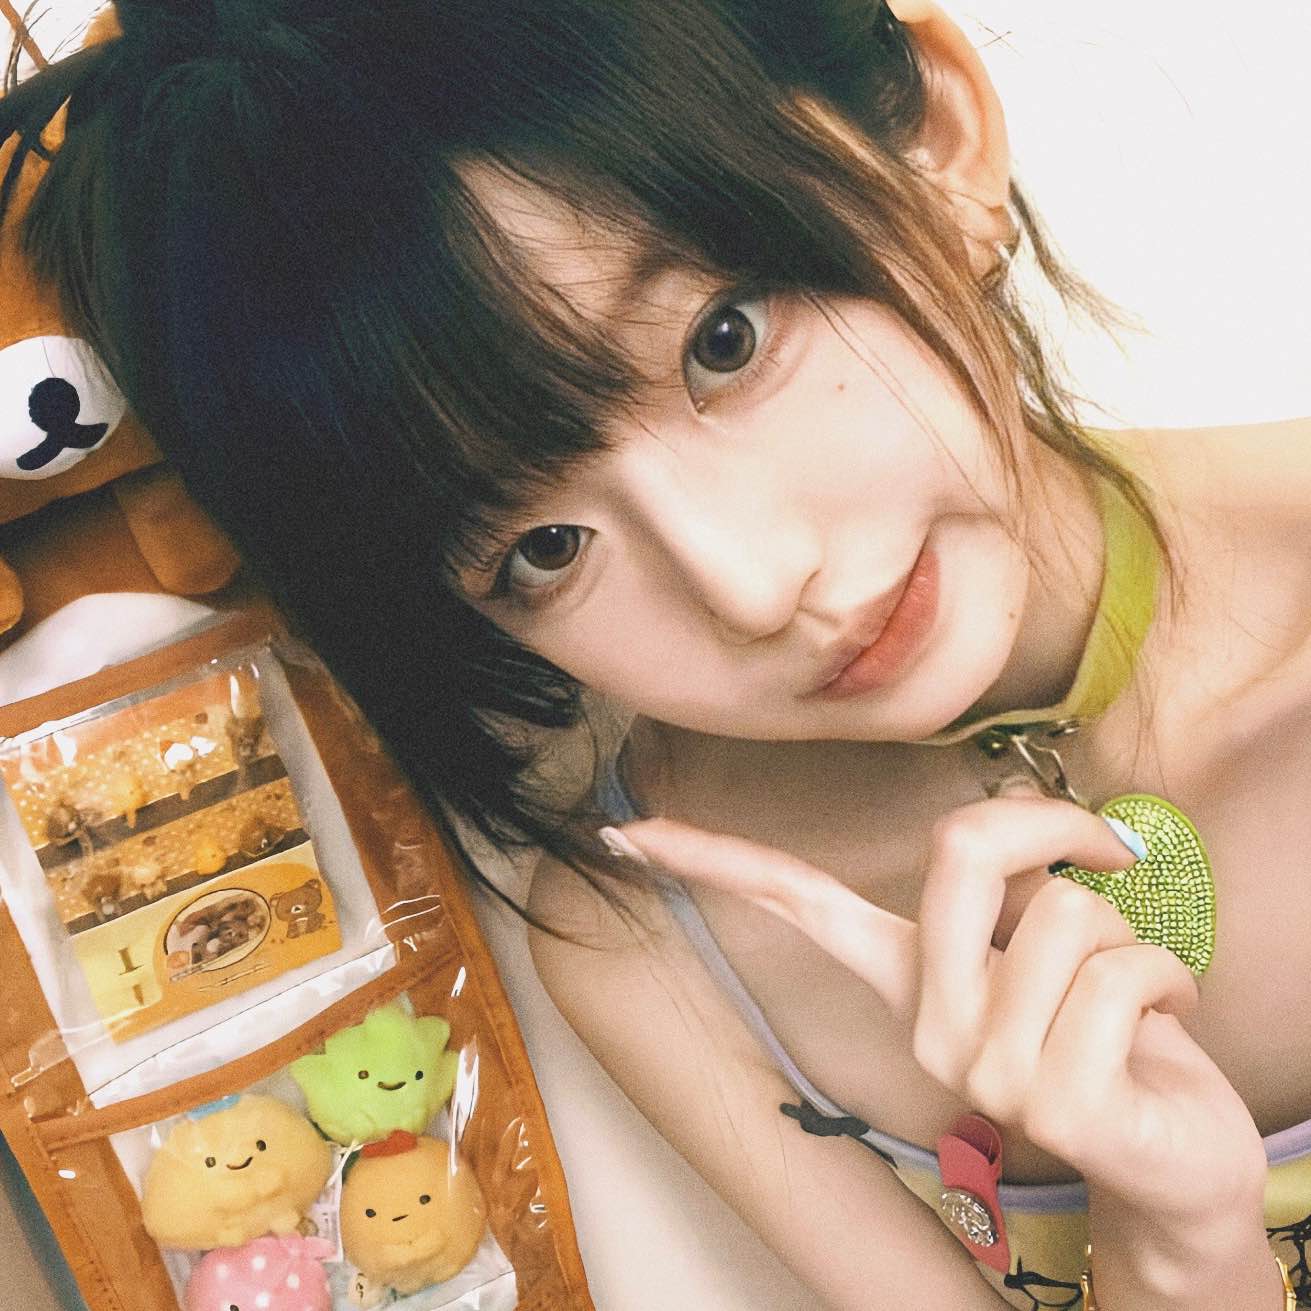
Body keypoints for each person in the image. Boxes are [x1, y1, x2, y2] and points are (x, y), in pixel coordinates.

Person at [3, 2, 1309, 1307]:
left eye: (724, 342)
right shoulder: (649, 947)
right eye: (542, 549)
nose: (752, 585)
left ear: (938, 136)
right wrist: (1177, 1245)